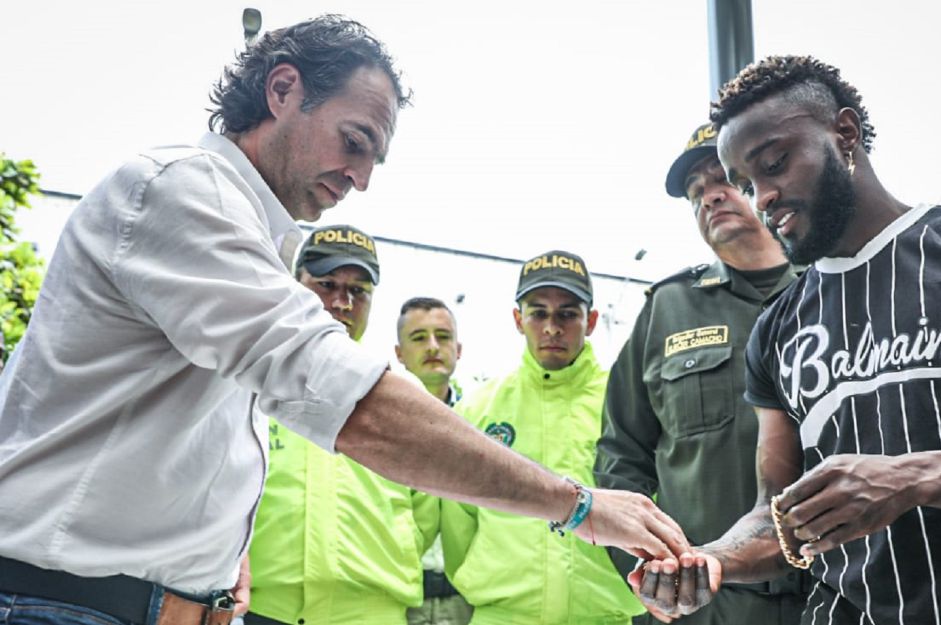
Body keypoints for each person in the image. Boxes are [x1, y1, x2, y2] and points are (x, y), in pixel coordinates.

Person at [0, 15, 689, 625]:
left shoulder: (255, 240)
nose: (360, 178)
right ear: (282, 90)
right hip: (67, 603)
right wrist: (578, 505)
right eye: (353, 140)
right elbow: (351, 402)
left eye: (374, 158)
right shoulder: (179, 193)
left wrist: (214, 553)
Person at [635, 55, 941, 625]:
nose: (762, 196)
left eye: (775, 164)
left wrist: (914, 478)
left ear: (844, 133)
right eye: (748, 183)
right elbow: (778, 516)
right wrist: (709, 559)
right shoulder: (777, 329)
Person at [594, 122, 806, 625]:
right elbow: (621, 457)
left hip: (834, 594)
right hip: (707, 603)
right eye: (696, 194)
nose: (710, 199)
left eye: (724, 180)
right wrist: (654, 572)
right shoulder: (667, 309)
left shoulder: (833, 289)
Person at [441, 251, 645, 625]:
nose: (552, 327)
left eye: (567, 314)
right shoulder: (477, 410)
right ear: (519, 320)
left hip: (604, 615)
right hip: (501, 616)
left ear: (592, 321)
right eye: (538, 313)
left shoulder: (626, 404)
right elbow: (458, 520)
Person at [246, 225, 431, 625]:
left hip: (371, 612)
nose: (342, 302)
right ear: (295, 283)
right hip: (263, 608)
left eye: (358, 291)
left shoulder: (401, 393)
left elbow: (428, 511)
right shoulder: (250, 381)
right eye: (327, 284)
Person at [396, 297, 474, 625]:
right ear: (399, 354)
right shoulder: (378, 427)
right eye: (418, 337)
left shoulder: (482, 423)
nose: (432, 347)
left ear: (458, 348)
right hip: (400, 601)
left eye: (442, 337)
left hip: (467, 602)